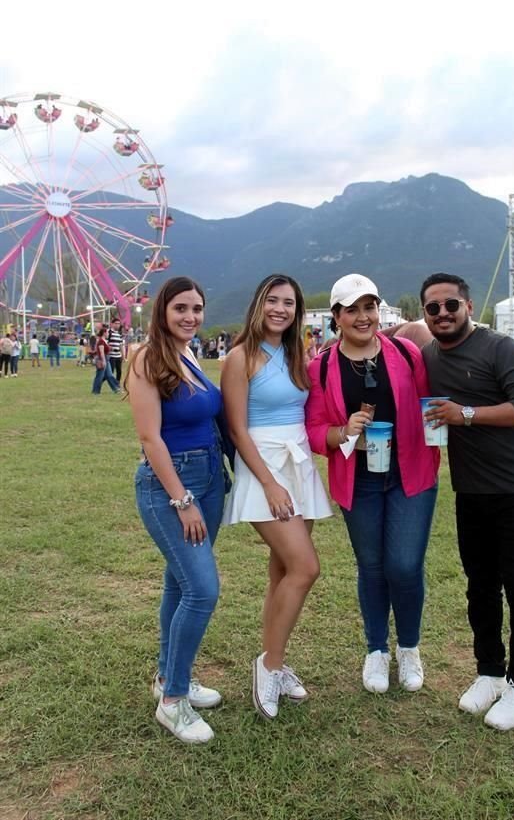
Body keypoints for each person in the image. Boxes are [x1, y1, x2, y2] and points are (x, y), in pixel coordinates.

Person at [420, 272, 514, 732]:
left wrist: (467, 414)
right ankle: (489, 672)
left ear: (468, 307)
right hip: (471, 490)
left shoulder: (500, 347)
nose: (442, 314)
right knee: (480, 586)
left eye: (450, 305)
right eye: (432, 308)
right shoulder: (428, 357)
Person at [305, 274, 439, 696]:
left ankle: (409, 648)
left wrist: (442, 442)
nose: (363, 317)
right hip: (358, 480)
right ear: (337, 317)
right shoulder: (322, 366)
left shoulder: (406, 352)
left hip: (410, 474)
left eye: (369, 307)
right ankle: (376, 650)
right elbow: (313, 430)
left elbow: (428, 404)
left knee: (403, 565)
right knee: (372, 567)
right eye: (352, 309)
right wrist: (344, 431)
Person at [221, 274, 332, 720]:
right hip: (263, 466)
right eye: (273, 300)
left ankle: (276, 661)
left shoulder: (296, 355)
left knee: (283, 571)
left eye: (289, 302)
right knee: (306, 567)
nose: (280, 309)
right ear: (258, 304)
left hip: (298, 462)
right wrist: (268, 482)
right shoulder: (238, 358)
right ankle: (267, 667)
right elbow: (236, 429)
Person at [125, 276, 226, 744]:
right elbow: (150, 438)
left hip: (209, 480)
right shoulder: (146, 358)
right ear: (162, 311)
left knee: (179, 583)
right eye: (181, 308)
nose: (190, 316)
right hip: (171, 486)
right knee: (202, 590)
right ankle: (173, 702)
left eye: (197, 308)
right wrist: (181, 500)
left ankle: (169, 678)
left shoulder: (190, 354)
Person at [92, 327, 120, 395]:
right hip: (102, 359)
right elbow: (101, 352)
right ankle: (96, 391)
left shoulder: (104, 340)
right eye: (107, 332)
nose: (108, 334)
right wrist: (103, 361)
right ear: (104, 333)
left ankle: (116, 388)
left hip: (106, 359)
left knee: (110, 375)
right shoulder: (101, 341)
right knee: (100, 376)